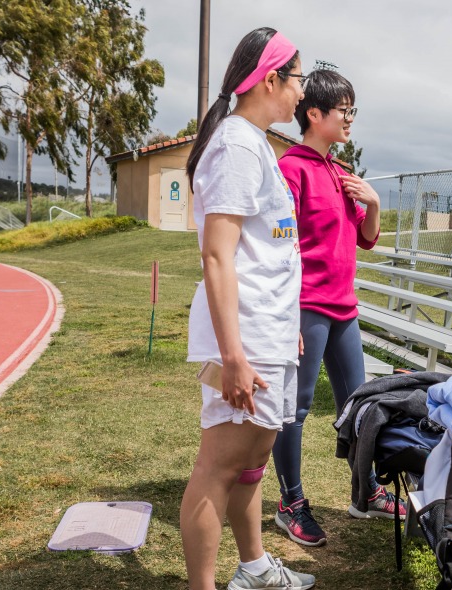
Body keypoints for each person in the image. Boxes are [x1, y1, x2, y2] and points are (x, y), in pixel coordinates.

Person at [180, 27, 315, 590]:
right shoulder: (237, 144)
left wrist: (289, 330)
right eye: (298, 80)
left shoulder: (256, 141)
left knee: (253, 457)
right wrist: (233, 355)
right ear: (270, 79)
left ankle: (254, 567)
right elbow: (217, 256)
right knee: (219, 465)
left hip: (268, 331)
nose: (301, 94)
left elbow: (270, 249)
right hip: (244, 338)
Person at [270, 68, 401, 548]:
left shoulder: (343, 174)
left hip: (344, 309)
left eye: (352, 110)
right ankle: (291, 503)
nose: (350, 119)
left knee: (361, 407)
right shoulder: (291, 170)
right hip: (306, 308)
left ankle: (364, 494)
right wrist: (286, 314)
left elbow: (366, 239)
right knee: (296, 409)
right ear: (314, 114)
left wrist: (374, 203)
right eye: (344, 111)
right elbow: (279, 249)